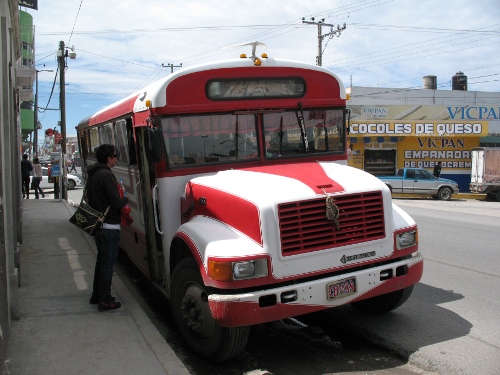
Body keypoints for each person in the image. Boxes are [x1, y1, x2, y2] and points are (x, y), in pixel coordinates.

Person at [86, 144, 128, 312]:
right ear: (109, 158)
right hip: (109, 226)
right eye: (115, 156)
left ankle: (96, 295)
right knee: (108, 264)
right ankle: (105, 299)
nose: (116, 159)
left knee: (101, 261)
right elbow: (116, 202)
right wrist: (125, 198)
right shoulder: (107, 175)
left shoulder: (93, 174)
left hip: (97, 224)